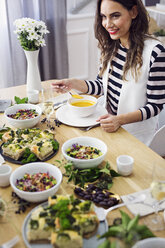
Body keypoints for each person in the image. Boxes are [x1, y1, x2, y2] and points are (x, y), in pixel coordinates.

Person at [52, 0, 165, 145]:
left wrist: (119, 119)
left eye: (115, 16)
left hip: (136, 135)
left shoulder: (155, 52)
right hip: (108, 126)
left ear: (134, 12)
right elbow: (102, 85)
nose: (107, 23)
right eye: (104, 17)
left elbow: (155, 106)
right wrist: (74, 84)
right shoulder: (111, 46)